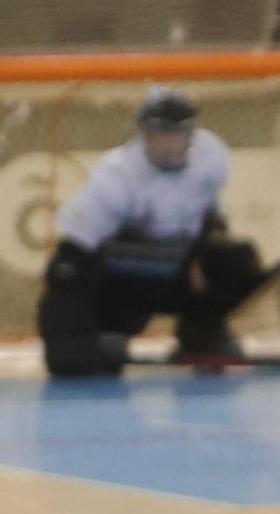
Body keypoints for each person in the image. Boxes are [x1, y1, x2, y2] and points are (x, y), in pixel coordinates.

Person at [37, 87, 267, 377]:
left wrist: (207, 258)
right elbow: (67, 263)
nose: (167, 144)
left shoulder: (211, 158)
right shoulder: (117, 175)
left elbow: (210, 216)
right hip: (129, 278)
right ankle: (93, 335)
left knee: (235, 260)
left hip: (180, 266)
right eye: (158, 135)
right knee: (70, 274)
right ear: (145, 135)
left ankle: (202, 331)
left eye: (175, 135)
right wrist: (71, 342)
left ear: (190, 136)